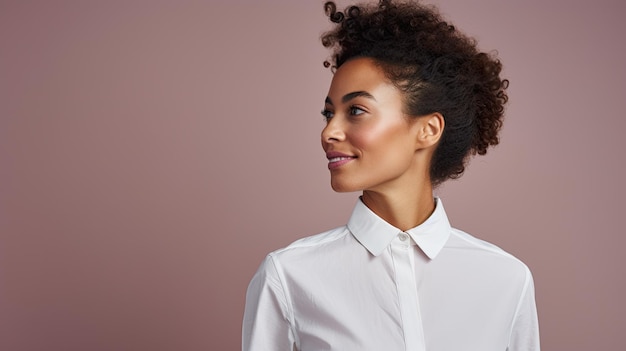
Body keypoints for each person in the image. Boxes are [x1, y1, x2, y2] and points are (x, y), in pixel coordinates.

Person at [242, 0, 540, 350]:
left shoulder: (506, 280)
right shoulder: (288, 277)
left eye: (356, 110)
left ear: (428, 129)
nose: (329, 133)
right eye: (328, 114)